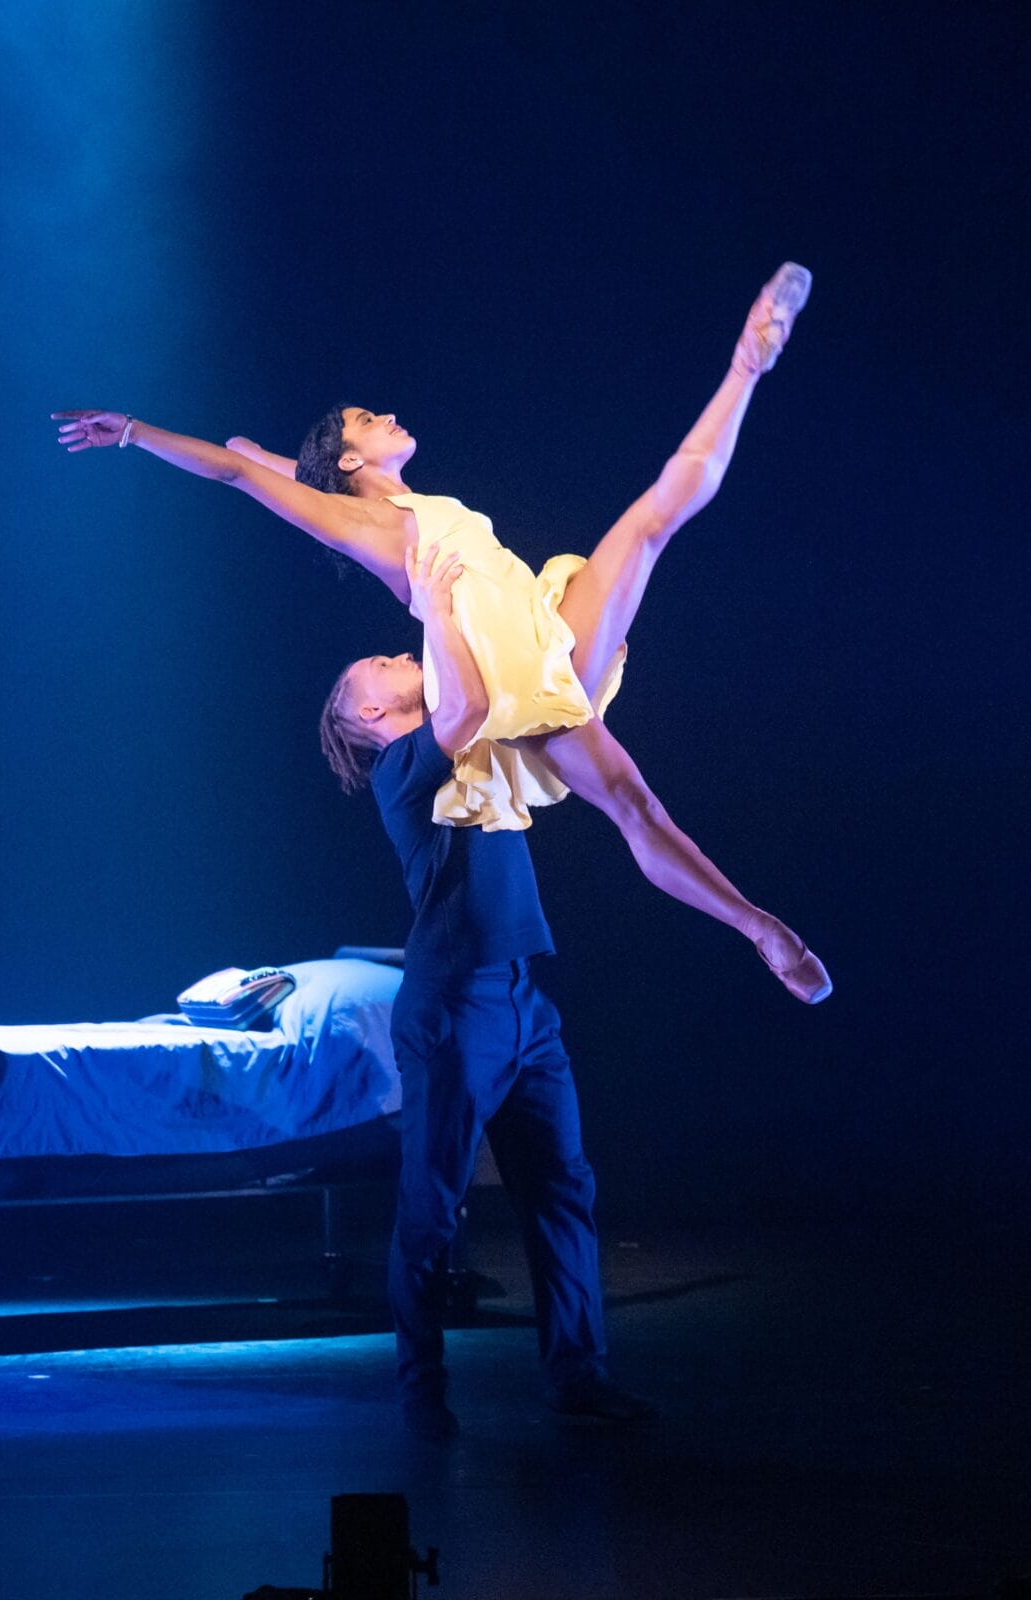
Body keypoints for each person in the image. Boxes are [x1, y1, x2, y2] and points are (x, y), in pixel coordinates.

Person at [54, 262, 830, 1003]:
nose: (388, 415)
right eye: (368, 419)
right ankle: (760, 929)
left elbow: (278, 464)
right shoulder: (357, 522)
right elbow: (240, 474)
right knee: (635, 803)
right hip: (509, 678)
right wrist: (135, 433)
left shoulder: (386, 497)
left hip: (544, 624)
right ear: (353, 457)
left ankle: (747, 361)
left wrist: (264, 453)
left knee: (654, 520)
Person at [345, 540, 658, 1436]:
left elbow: (514, 689)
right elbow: (472, 695)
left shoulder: (470, 749)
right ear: (372, 709)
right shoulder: (400, 770)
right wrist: (435, 605)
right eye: (382, 664)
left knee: (563, 1187)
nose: (401, 655)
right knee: (433, 1203)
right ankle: (421, 1389)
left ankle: (576, 1374)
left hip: (524, 998)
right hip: (453, 1008)